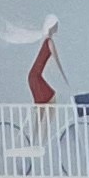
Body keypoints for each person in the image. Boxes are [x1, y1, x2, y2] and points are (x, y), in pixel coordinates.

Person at [25, 16, 63, 150]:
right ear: (52, 26)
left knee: (41, 110)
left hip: (33, 77)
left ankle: (34, 141)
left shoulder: (45, 41)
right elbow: (58, 65)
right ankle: (42, 140)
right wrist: (66, 81)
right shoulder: (50, 42)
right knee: (52, 101)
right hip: (36, 77)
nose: (58, 27)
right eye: (56, 25)